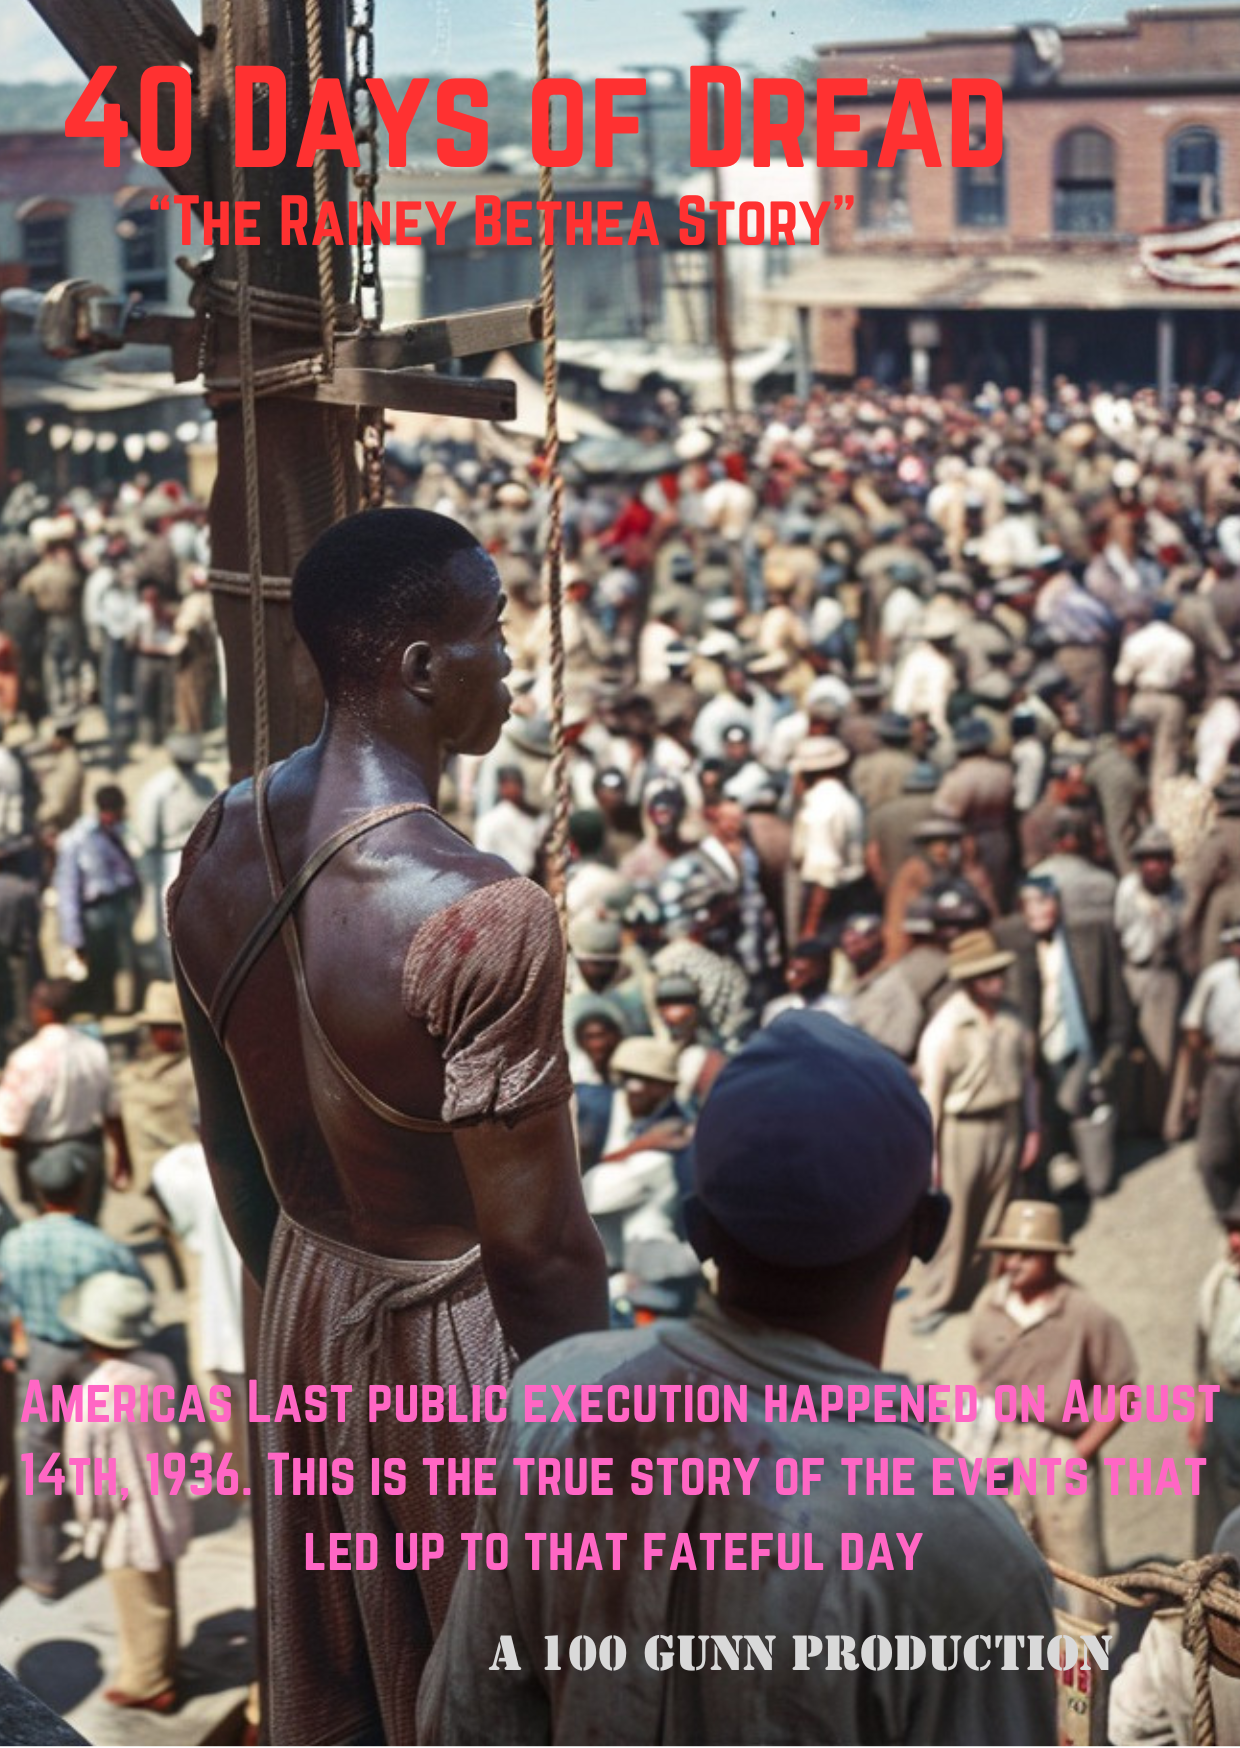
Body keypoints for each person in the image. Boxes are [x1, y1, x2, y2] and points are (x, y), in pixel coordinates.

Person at [168, 507, 608, 1746]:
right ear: (421, 666)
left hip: (304, 1298)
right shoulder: (483, 913)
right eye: (495, 634)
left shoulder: (215, 841)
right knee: (493, 1691)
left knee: (346, 1689)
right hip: (453, 1344)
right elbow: (539, 1251)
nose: (512, 665)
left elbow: (228, 1148)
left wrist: (311, 1311)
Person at [418, 1013, 1058, 1745]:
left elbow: (462, 1723)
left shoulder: (554, 1398)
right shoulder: (964, 1548)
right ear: (929, 1232)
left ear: (698, 1231)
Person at [968, 1199, 1136, 1625]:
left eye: (1027, 1253)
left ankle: (1087, 1657)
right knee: (1003, 1554)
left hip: (1059, 1445)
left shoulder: (1084, 1313)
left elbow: (1123, 1392)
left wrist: (1080, 1452)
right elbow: (981, 1371)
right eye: (1008, 1252)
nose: (1014, 1263)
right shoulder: (990, 1306)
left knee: (1078, 1568)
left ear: (1052, 1256)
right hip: (1001, 1442)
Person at [0, 1141, 148, 1596]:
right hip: (93, 1359)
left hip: (40, 1356)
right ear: (83, 1189)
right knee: (106, 1454)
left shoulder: (15, 1244)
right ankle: (109, 1541)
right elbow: (137, 1294)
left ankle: (41, 1569)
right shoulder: (102, 1246)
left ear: (37, 1191)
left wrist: (10, 1346)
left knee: (37, 1459)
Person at [62, 1271, 192, 1712]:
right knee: (162, 1590)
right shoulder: (158, 1368)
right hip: (164, 1498)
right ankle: (166, 1665)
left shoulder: (91, 1397)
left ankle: (148, 1682)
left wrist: (91, 1524)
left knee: (137, 1601)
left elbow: (88, 1479)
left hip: (127, 1518)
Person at [910, 929, 1038, 1333]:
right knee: (955, 1220)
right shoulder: (946, 1027)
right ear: (968, 981)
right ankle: (934, 1300)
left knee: (999, 1214)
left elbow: (1029, 1078)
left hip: (1007, 1122)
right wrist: (930, 1155)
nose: (997, 982)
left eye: (999, 973)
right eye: (987, 976)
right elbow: (931, 1096)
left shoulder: (1014, 1018)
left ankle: (986, 1293)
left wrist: (1033, 1128)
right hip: (962, 1129)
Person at [0, 977, 132, 1219]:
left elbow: (8, 1132)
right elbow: (113, 1113)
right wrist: (123, 1158)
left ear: (45, 1011)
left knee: (48, 1227)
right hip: (88, 1153)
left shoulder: (25, 1059)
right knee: (86, 1223)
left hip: (41, 1158)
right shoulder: (94, 1051)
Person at [53, 783, 142, 1017]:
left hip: (119, 904)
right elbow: (67, 889)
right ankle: (98, 1009)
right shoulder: (77, 839)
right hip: (93, 911)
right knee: (97, 966)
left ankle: (123, 1009)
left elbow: (130, 870)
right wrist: (72, 936)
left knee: (124, 961)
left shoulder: (121, 831)